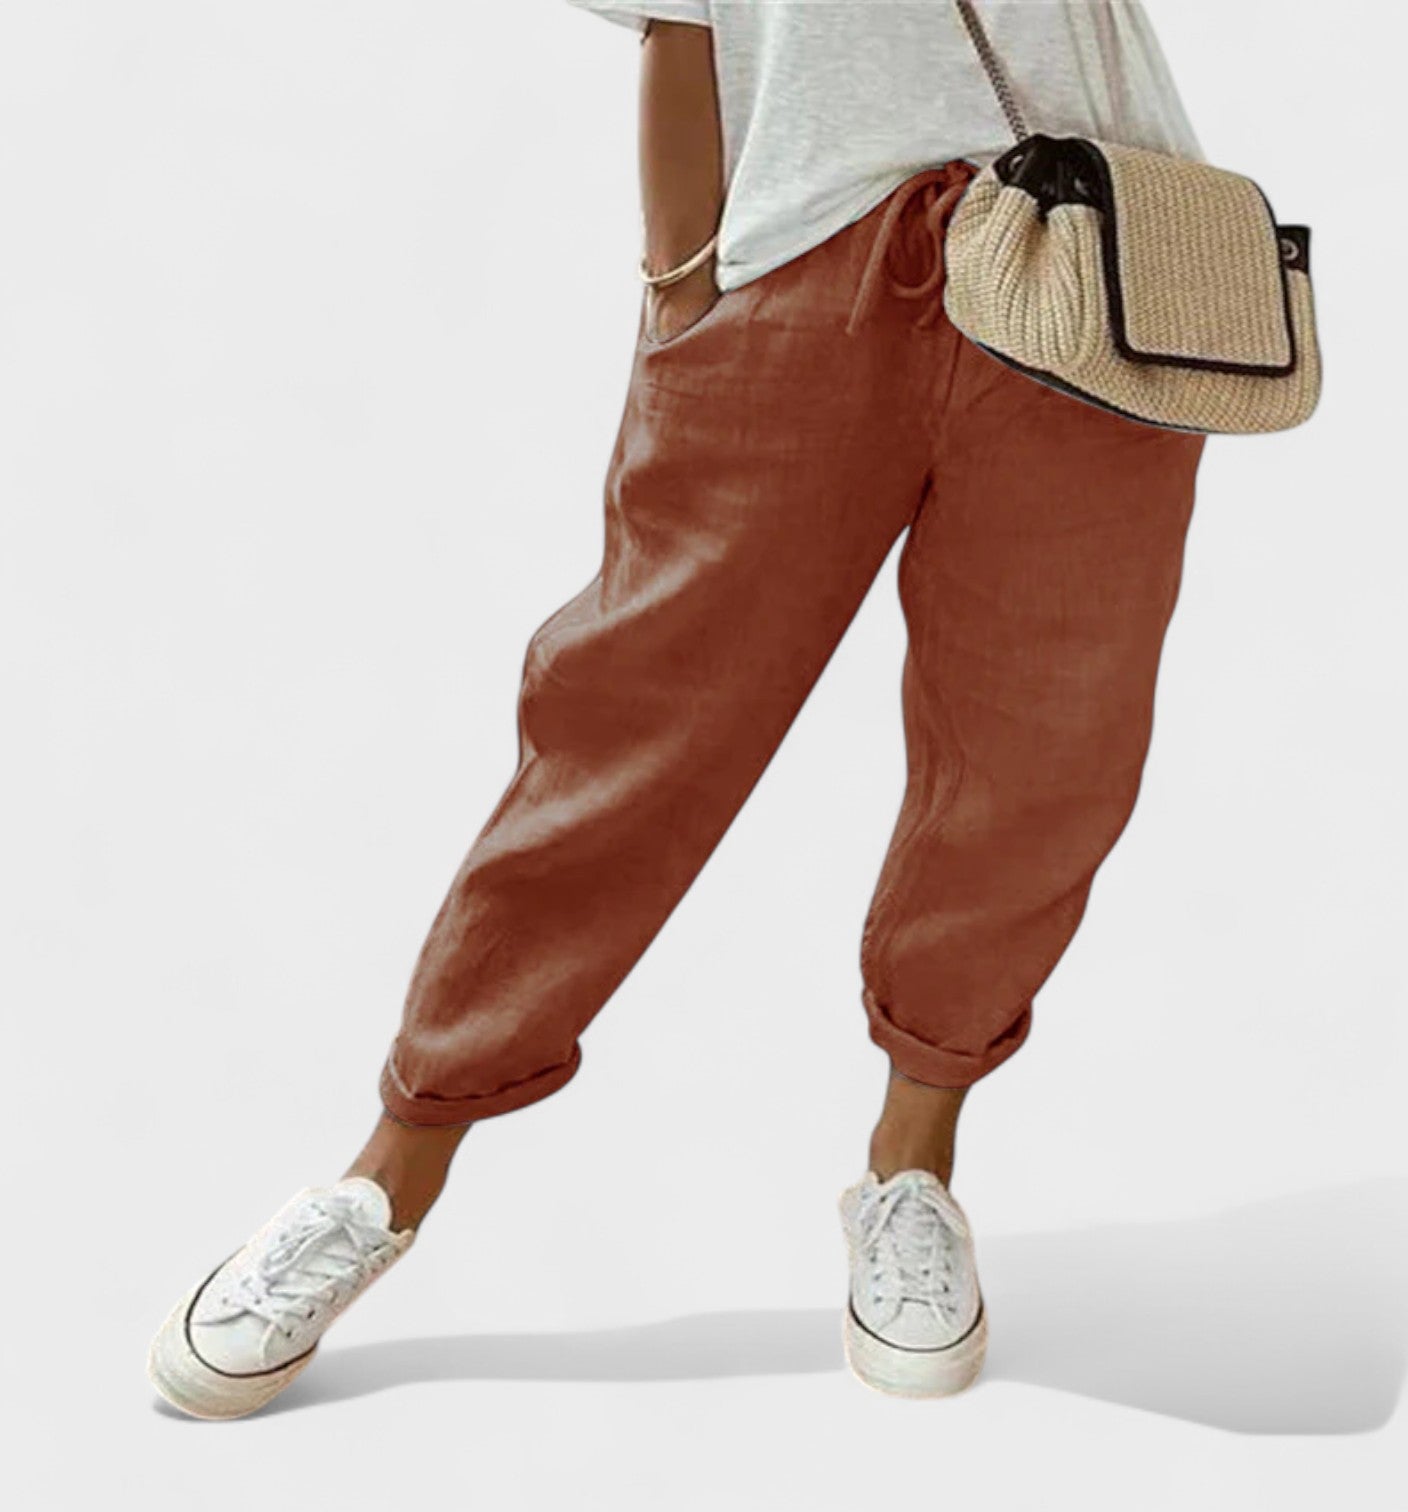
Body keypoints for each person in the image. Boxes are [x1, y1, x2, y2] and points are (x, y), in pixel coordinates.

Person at [147, 0, 1211, 1415]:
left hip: (1089, 252)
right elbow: (680, 18)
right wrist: (681, 283)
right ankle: (390, 1170)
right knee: (631, 730)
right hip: (802, 259)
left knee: (1044, 753)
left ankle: (913, 1167)